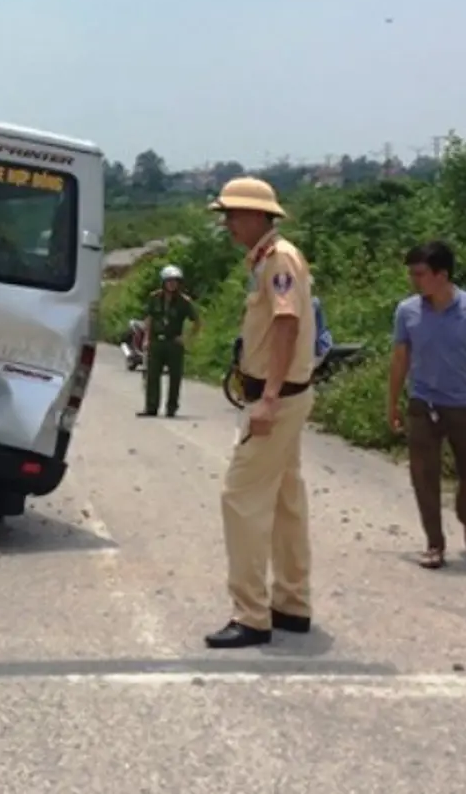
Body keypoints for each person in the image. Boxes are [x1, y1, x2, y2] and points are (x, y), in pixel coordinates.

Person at [203, 177, 317, 648]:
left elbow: (286, 323)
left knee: (241, 497)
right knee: (286, 499)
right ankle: (291, 603)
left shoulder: (278, 260)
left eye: (232, 214)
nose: (227, 223)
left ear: (256, 216)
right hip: (286, 394)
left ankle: (251, 614)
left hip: (279, 398)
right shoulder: (270, 259)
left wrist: (267, 398)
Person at [387, 240, 466, 569]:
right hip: (423, 403)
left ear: (441, 274)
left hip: (465, 405)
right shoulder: (407, 311)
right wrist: (392, 403)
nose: (414, 281)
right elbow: (400, 359)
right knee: (423, 476)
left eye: (420, 274)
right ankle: (434, 543)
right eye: (412, 274)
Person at [138, 263, 201, 418]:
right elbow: (149, 319)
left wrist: (186, 338)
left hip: (174, 343)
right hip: (156, 341)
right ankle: (151, 407)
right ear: (163, 282)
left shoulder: (184, 301)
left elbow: (196, 321)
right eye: (169, 281)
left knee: (175, 377)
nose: (172, 284)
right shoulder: (154, 298)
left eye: (175, 281)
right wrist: (146, 339)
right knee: (152, 376)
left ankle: (171, 408)